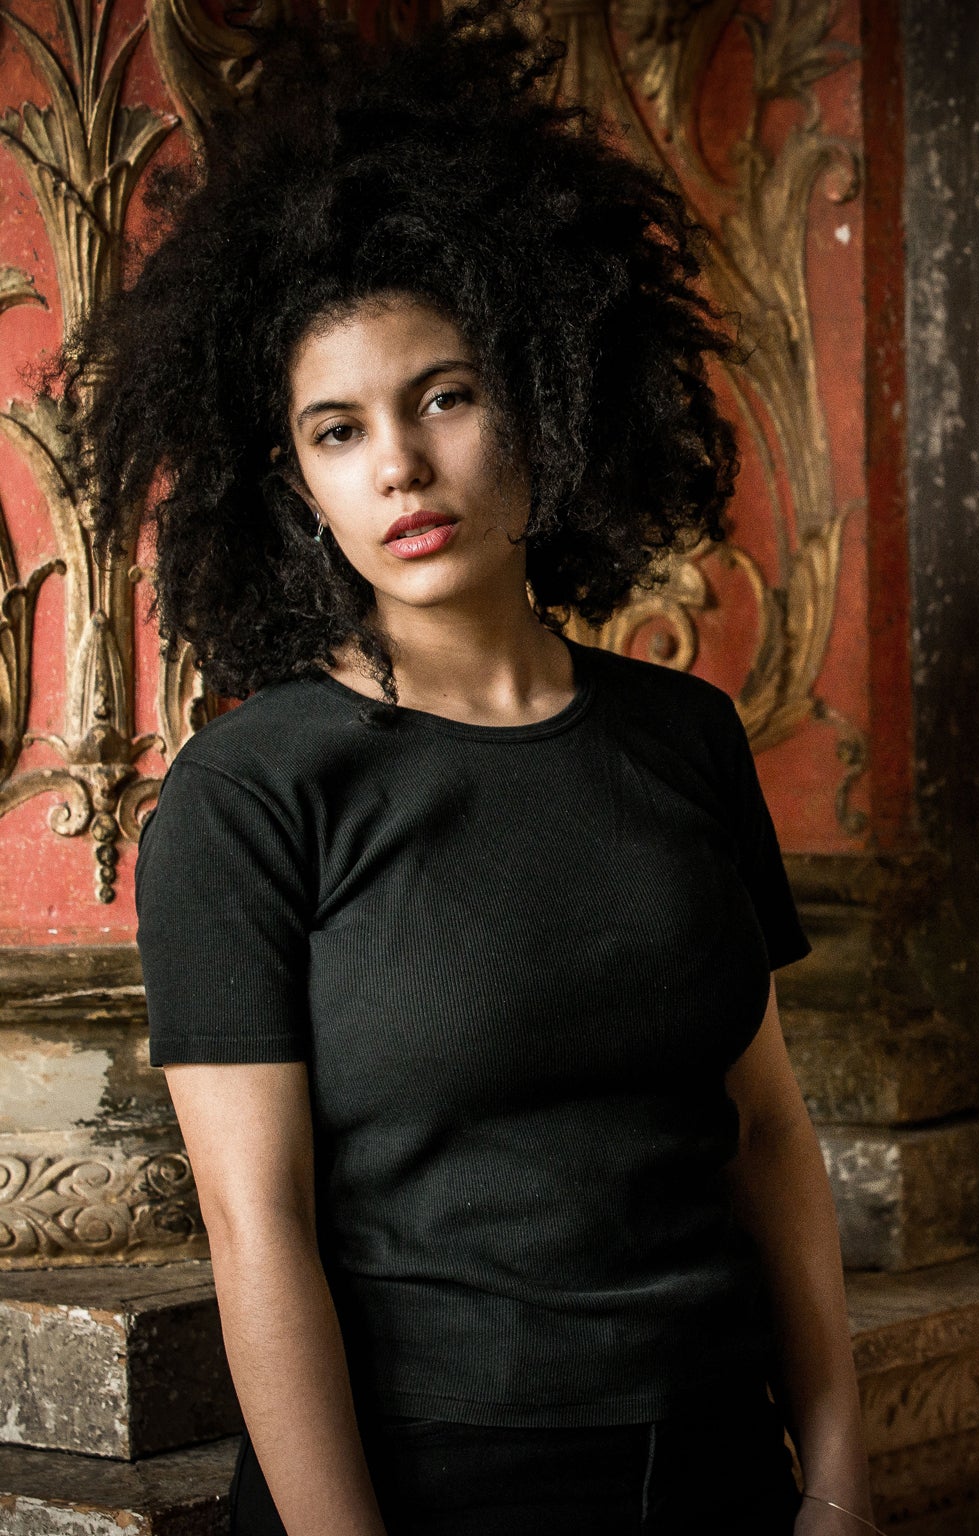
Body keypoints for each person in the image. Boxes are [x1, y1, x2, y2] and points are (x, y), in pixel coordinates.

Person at [75, 8, 874, 1533]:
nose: (400, 468)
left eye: (442, 395)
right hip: (434, 1482)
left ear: (541, 390)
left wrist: (833, 1472)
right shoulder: (250, 796)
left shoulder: (686, 740)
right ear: (296, 485)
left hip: (716, 1468)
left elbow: (765, 1132)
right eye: (337, 429)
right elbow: (260, 1231)